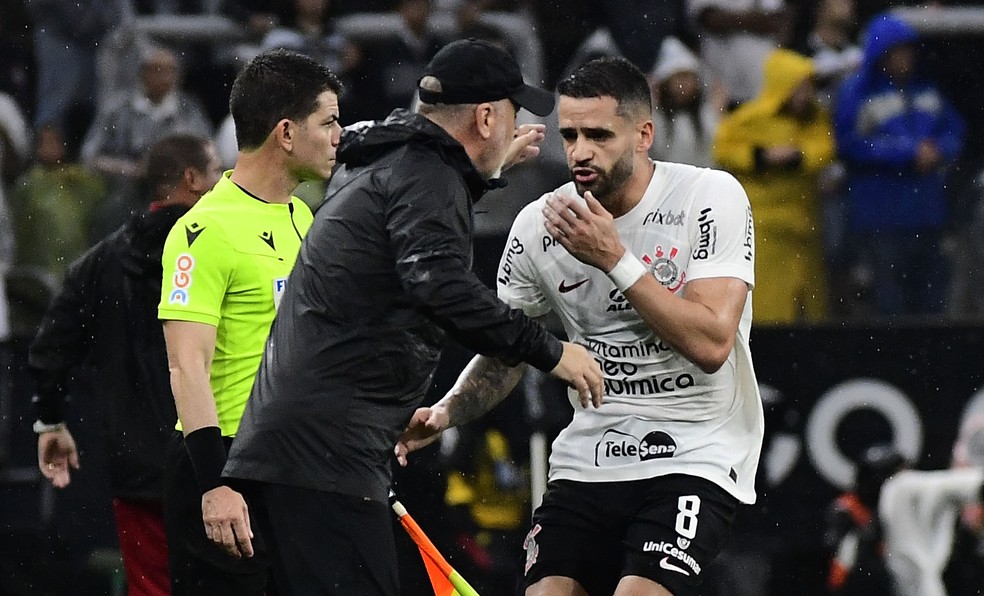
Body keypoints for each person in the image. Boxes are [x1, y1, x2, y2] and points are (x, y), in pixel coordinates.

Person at [220, 38, 604, 595]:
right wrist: (551, 352)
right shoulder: (427, 176)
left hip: (297, 452)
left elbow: (417, 210)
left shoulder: (394, 159)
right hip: (326, 457)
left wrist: (482, 168)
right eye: (512, 112)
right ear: (488, 116)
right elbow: (439, 285)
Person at [398, 56, 763, 596]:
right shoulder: (539, 224)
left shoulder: (708, 198)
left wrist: (614, 259)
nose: (580, 151)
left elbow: (712, 343)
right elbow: (509, 351)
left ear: (644, 135)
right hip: (590, 457)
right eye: (569, 134)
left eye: (599, 135)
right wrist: (448, 411)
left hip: (695, 450)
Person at [157, 49, 341, 594]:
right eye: (328, 122)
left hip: (291, 463)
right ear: (286, 133)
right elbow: (187, 365)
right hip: (225, 465)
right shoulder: (204, 230)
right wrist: (214, 484)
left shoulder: (302, 215)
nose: (340, 136)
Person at [30, 134, 222, 596]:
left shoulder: (101, 261)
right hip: (218, 460)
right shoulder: (226, 249)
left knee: (152, 588)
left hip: (140, 469)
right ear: (191, 179)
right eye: (215, 170)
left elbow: (51, 348)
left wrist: (50, 419)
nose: (223, 180)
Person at [833, 13, 964, 316]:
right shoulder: (856, 92)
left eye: (908, 49)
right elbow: (849, 144)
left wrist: (939, 150)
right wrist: (908, 153)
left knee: (932, 304)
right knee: (889, 305)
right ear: (880, 52)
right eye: (897, 50)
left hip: (929, 214)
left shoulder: (926, 90)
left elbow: (955, 130)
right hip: (882, 217)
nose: (905, 57)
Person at [714, 49, 834, 324]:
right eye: (800, 87)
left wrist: (798, 157)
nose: (806, 95)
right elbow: (724, 148)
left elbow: (826, 148)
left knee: (811, 305)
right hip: (765, 228)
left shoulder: (815, 119)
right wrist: (760, 156)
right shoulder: (750, 118)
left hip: (805, 226)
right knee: (768, 306)